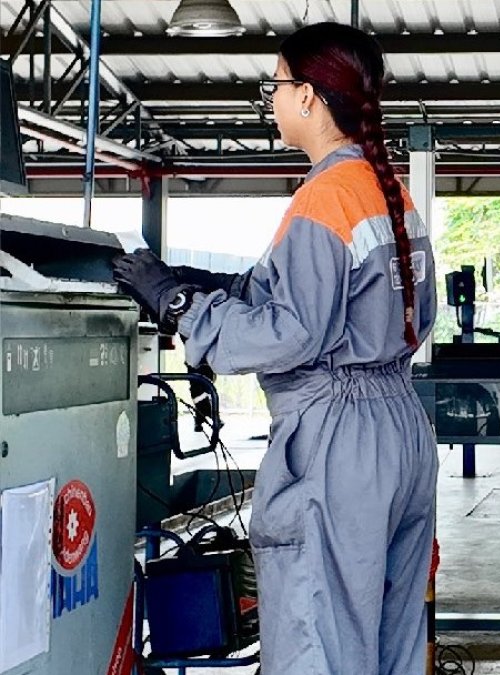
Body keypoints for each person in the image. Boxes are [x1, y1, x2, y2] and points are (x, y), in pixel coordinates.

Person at [112, 23, 438, 675]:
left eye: (278, 84)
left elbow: (290, 334)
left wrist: (181, 308)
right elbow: (343, 302)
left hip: (339, 444)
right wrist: (214, 284)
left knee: (319, 637)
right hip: (401, 432)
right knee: (389, 638)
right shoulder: (386, 190)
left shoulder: (322, 198)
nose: (272, 99)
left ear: (311, 97)